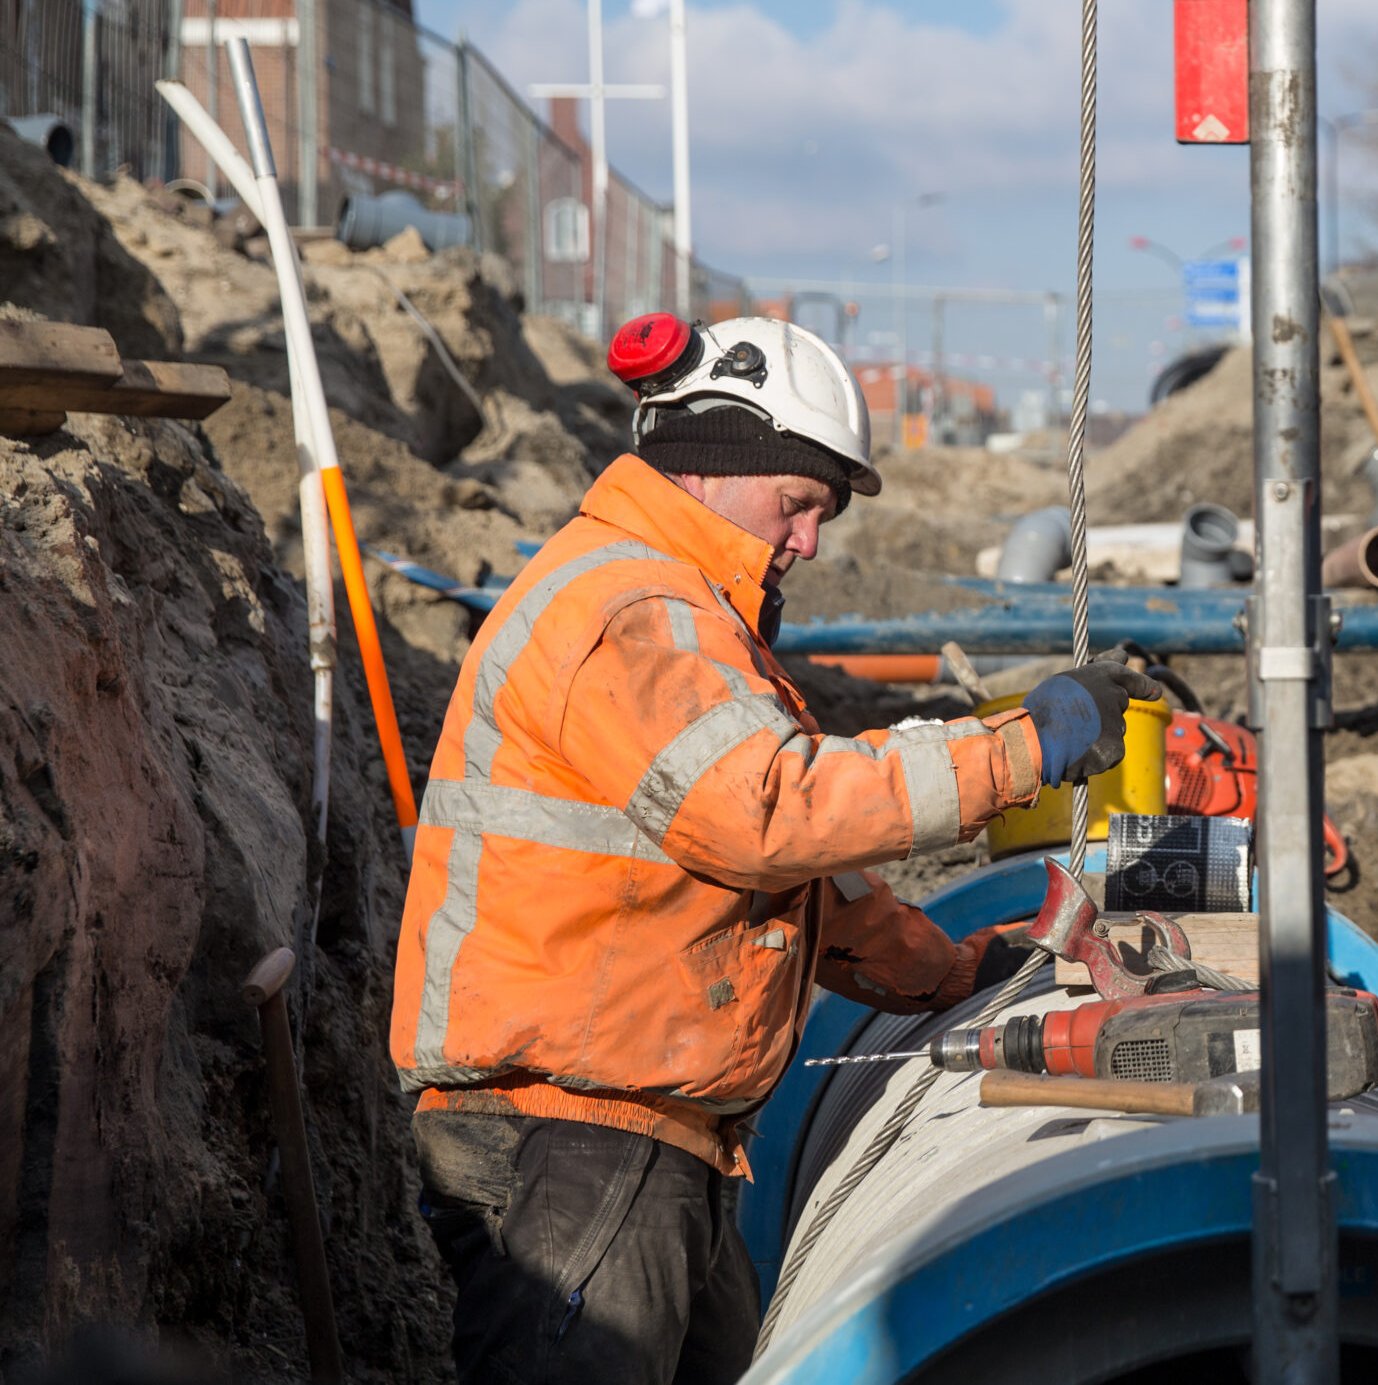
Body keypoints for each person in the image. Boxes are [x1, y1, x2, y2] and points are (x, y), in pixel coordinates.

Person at [389, 314, 1156, 1385]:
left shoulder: (691, 615)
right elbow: (771, 813)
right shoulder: (632, 608)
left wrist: (945, 974)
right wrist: (1021, 749)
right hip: (576, 1132)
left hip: (643, 1129)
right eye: (797, 503)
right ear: (711, 462)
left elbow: (796, 874)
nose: (808, 540)